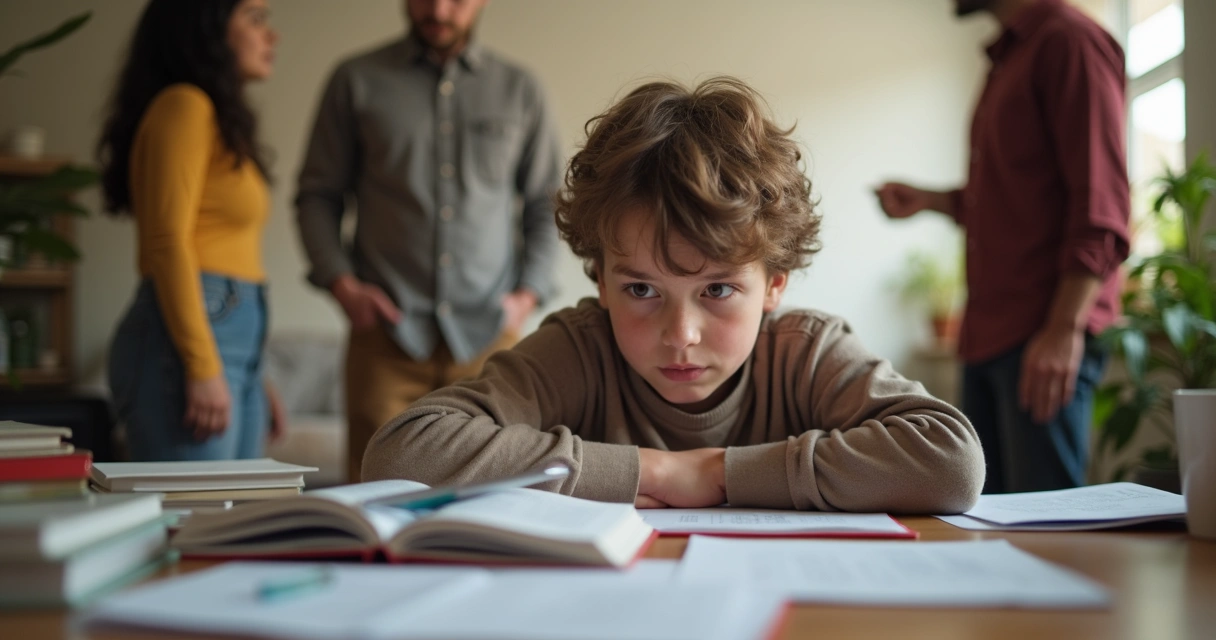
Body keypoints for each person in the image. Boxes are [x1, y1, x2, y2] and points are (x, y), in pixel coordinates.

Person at [363, 77, 985, 513]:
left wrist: (717, 474)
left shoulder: (805, 353)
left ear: (774, 285)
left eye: (717, 289)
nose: (680, 334)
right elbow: (400, 453)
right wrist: (653, 470)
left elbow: (951, 462)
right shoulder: (581, 351)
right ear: (600, 281)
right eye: (640, 288)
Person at [295, 0, 563, 482]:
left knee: (496, 495)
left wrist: (527, 296)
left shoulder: (520, 89)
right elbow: (317, 196)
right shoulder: (355, 80)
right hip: (384, 338)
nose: (438, 10)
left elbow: (547, 205)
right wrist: (342, 285)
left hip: (491, 344)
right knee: (373, 498)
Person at [875, 0, 1130, 493]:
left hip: (1040, 337)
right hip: (990, 336)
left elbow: (1103, 207)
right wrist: (932, 200)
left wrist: (1063, 329)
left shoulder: (1069, 41)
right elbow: (1014, 200)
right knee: (987, 520)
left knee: (1049, 533)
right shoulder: (1011, 57)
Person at [99, 0, 285, 461]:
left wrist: (254, 375)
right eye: (255, 18)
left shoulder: (214, 119)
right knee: (193, 524)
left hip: (226, 341)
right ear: (208, 28)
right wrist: (203, 366)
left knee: (230, 524)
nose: (271, 35)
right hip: (182, 347)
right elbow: (168, 242)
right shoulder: (184, 105)